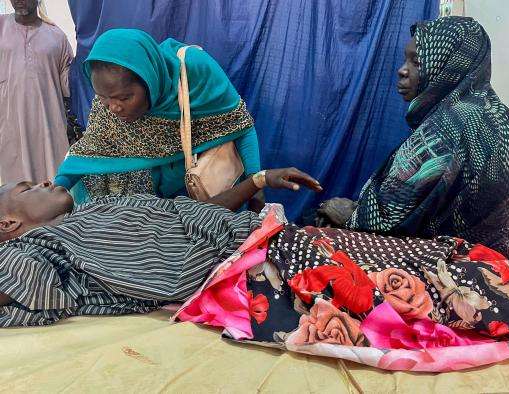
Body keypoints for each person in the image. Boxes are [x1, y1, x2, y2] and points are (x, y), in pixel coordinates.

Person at [0, 168, 322, 326]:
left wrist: (259, 181)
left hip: (270, 238)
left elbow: (192, 212)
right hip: (256, 274)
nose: (43, 181)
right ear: (7, 224)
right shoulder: (36, 251)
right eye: (27, 189)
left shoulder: (97, 208)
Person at [317, 17, 509, 257]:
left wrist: (347, 213)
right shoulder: (498, 113)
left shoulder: (448, 124)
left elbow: (383, 219)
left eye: (416, 62)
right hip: (497, 259)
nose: (402, 70)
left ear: (448, 65)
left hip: (451, 263)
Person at [54, 29, 262, 206]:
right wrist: (58, 187)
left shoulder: (195, 72)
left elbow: (240, 125)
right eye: (102, 98)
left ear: (149, 81)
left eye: (125, 97)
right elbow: (92, 148)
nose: (113, 108)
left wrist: (257, 187)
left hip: (200, 194)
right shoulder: (107, 99)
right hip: (149, 205)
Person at [0, 0, 73, 184]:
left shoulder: (56, 36)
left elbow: (69, 86)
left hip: (48, 124)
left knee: (52, 184)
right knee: (15, 189)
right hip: (10, 125)